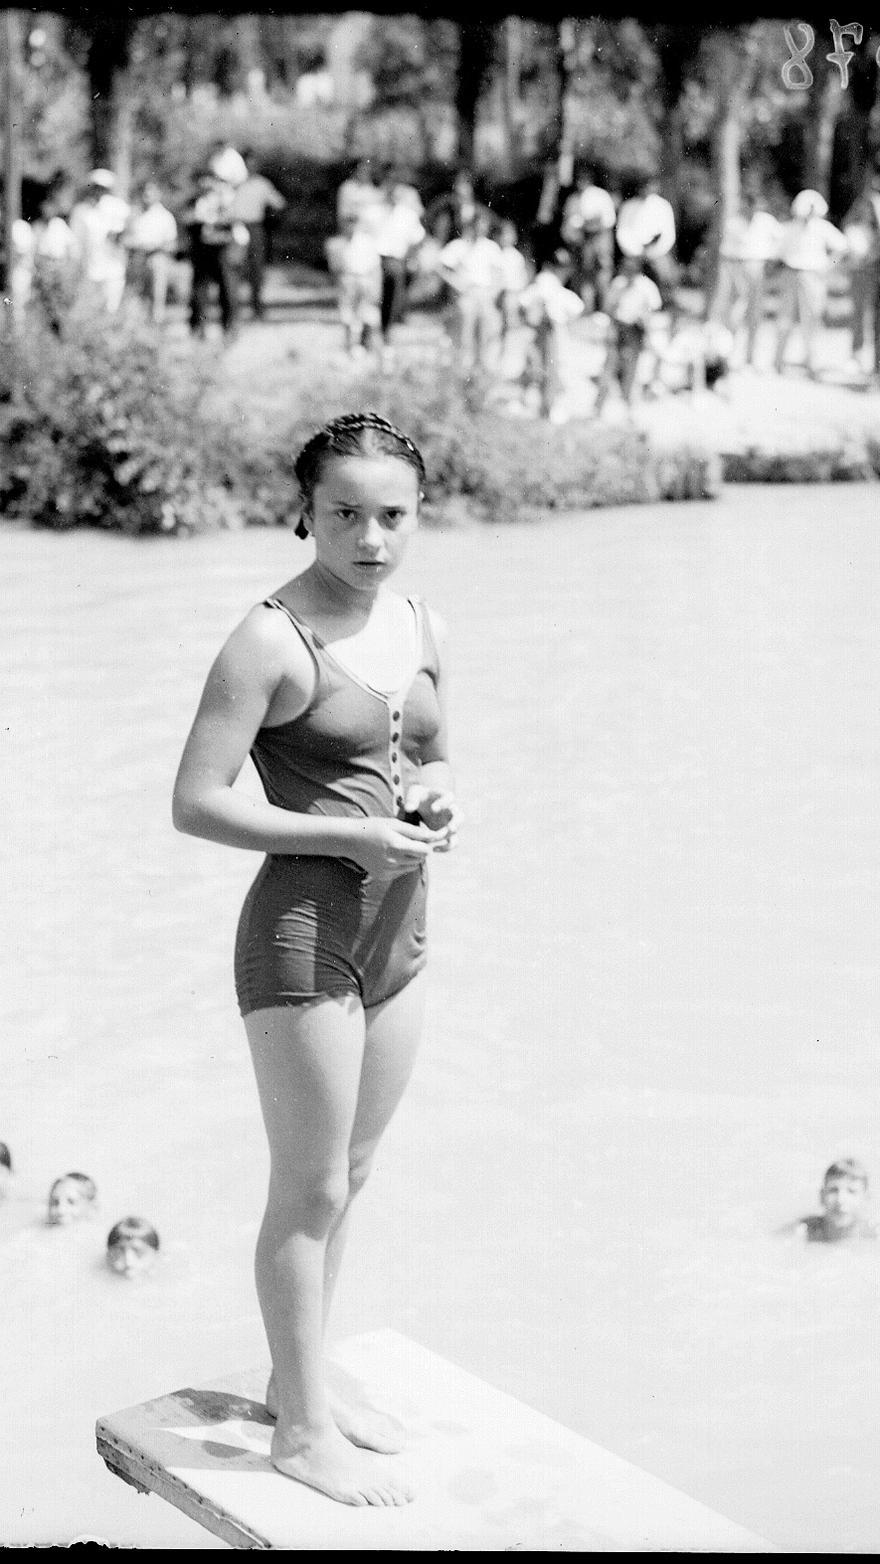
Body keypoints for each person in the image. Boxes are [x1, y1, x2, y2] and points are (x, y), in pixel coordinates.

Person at [172, 411, 459, 1506]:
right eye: (345, 513)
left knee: (357, 1176)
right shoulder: (267, 638)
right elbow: (194, 803)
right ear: (305, 510)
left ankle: (310, 1382)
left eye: (393, 515)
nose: (370, 537)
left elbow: (435, 747)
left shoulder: (424, 618)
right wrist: (347, 832)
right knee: (310, 1182)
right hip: (304, 935)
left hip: (404, 933)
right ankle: (298, 1429)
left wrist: (440, 795)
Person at [774, 188, 849, 379]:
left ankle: (812, 362)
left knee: (812, 319)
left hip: (812, 275)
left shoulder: (822, 227)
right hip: (791, 273)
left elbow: (842, 246)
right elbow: (779, 251)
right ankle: (778, 360)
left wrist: (827, 265)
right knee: (785, 318)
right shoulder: (790, 228)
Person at [710, 187, 782, 367]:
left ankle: (751, 357)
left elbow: (781, 240)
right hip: (737, 266)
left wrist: (771, 259)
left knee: (755, 314)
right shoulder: (734, 223)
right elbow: (726, 252)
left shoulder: (766, 221)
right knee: (735, 313)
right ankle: (729, 356)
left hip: (759, 266)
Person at [438, 211, 505, 379]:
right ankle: (463, 370)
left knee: (486, 334)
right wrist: (456, 283)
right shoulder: (459, 246)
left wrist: (493, 292)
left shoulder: (490, 247)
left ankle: (482, 370)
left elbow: (499, 273)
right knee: (465, 333)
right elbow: (440, 266)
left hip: (485, 293)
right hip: (467, 293)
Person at [518, 249, 584, 420]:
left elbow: (576, 308)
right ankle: (535, 406)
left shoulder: (559, 290)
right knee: (538, 368)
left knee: (554, 369)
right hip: (541, 330)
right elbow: (526, 302)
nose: (562, 271)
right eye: (559, 267)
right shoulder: (545, 281)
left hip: (555, 331)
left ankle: (547, 407)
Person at [593, 254, 662, 414]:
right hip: (618, 327)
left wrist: (643, 318)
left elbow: (654, 310)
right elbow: (608, 308)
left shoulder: (646, 287)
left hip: (636, 330)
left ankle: (627, 407)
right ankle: (598, 407)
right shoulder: (618, 284)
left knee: (632, 369)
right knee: (610, 366)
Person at [366, 174, 425, 354]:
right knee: (371, 300)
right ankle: (365, 336)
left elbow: (418, 238)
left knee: (392, 299)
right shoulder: (374, 212)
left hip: (396, 261)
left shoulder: (407, 215)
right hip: (374, 261)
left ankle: (386, 332)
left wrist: (410, 258)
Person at [184, 170, 245, 340]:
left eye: (209, 181)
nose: (206, 185)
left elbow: (234, 219)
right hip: (201, 252)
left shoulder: (225, 200)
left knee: (228, 291)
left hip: (222, 251)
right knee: (199, 293)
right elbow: (187, 220)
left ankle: (229, 328)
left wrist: (213, 220)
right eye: (202, 182)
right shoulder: (193, 201)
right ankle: (198, 329)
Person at [231, 150, 286, 321]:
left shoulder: (263, 184)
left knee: (256, 269)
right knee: (235, 269)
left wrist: (271, 218)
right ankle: (234, 310)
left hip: (255, 227)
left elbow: (279, 203)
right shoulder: (236, 183)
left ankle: (257, 307)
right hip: (236, 226)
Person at [68, 169, 130, 315]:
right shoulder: (80, 211)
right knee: (90, 310)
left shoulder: (118, 208)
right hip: (89, 270)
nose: (99, 191)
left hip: (113, 269)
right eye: (96, 187)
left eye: (103, 188)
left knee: (110, 310)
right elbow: (75, 242)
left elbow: (126, 234)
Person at [325, 211, 382, 359]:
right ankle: (350, 344)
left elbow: (375, 266)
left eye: (354, 223)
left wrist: (375, 285)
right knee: (347, 314)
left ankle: (367, 344)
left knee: (367, 313)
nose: (351, 227)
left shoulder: (367, 241)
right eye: (348, 223)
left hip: (365, 279)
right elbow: (335, 268)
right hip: (347, 280)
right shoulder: (336, 243)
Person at [560, 164, 616, 312]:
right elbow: (567, 227)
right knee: (584, 277)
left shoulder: (600, 195)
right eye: (578, 180)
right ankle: (587, 309)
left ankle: (605, 309)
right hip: (581, 243)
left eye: (583, 180)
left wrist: (590, 225)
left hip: (599, 241)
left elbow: (608, 220)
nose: (581, 183)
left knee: (603, 275)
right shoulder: (572, 200)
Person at [615, 174, 677, 307]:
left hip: (656, 252)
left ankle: (664, 307)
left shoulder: (663, 206)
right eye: (644, 186)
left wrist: (652, 252)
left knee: (665, 273)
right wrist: (636, 251)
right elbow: (622, 232)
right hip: (633, 253)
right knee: (624, 278)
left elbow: (668, 235)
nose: (647, 188)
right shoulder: (629, 206)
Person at [782, 1159, 878, 1244]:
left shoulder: (875, 1234)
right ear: (822, 1196)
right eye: (833, 1190)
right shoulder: (803, 1230)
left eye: (851, 1191)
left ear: (866, 1199)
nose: (840, 1200)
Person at [124, 180, 179, 325]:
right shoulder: (134, 215)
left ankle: (155, 328)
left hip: (157, 258)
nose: (147, 194)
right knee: (135, 297)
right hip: (137, 259)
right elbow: (125, 238)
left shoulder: (165, 217)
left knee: (157, 296)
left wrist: (156, 246)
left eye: (151, 191)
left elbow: (172, 243)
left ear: (158, 194)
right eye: (145, 191)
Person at [843, 184, 880, 374]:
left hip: (873, 275)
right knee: (858, 315)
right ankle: (856, 355)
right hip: (860, 274)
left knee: (874, 319)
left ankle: (875, 362)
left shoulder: (875, 232)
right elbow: (858, 255)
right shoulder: (853, 229)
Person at [496, 220, 531, 345]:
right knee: (501, 324)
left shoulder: (517, 256)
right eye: (504, 234)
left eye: (510, 234)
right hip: (502, 294)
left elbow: (522, 277)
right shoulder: (498, 254)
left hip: (514, 294)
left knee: (512, 323)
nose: (507, 238)